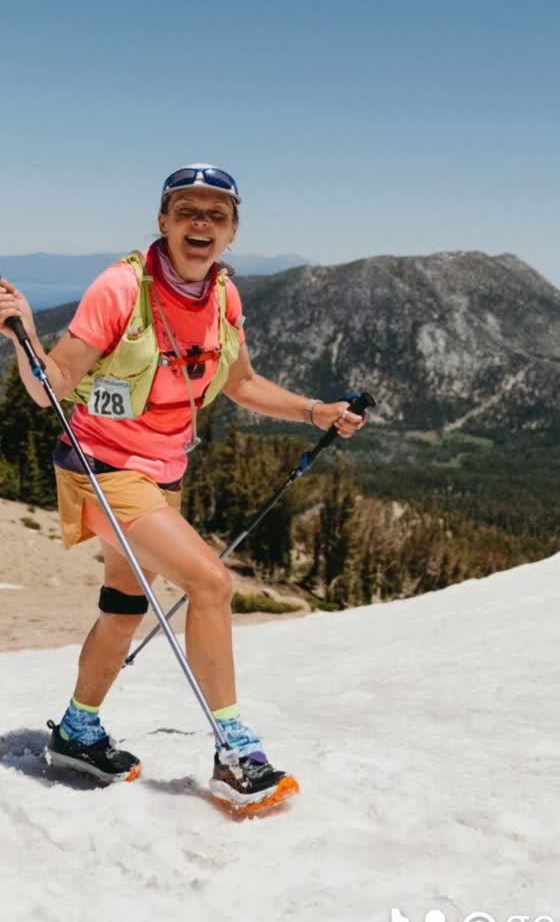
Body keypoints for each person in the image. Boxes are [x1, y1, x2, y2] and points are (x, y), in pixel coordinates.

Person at [0, 163, 366, 810]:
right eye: (188, 211)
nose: (202, 223)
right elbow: (53, 385)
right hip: (101, 467)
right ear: (164, 221)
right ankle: (235, 752)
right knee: (211, 583)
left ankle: (79, 731)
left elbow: (241, 383)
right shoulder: (121, 287)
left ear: (232, 231)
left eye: (216, 214)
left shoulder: (223, 297)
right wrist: (25, 330)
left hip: (162, 472)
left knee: (124, 607)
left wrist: (317, 411)